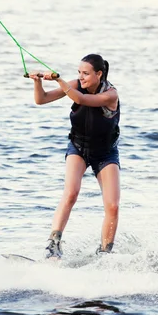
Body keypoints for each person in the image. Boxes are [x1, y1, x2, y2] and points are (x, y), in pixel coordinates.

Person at [30, 53, 120, 259]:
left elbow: (82, 99)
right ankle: (53, 243)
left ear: (99, 74)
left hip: (105, 153)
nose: (81, 77)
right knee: (71, 193)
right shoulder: (75, 85)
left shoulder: (111, 94)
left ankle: (105, 253)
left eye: (86, 74)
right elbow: (41, 100)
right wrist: (37, 83)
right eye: (79, 72)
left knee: (113, 206)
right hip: (78, 147)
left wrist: (60, 80)